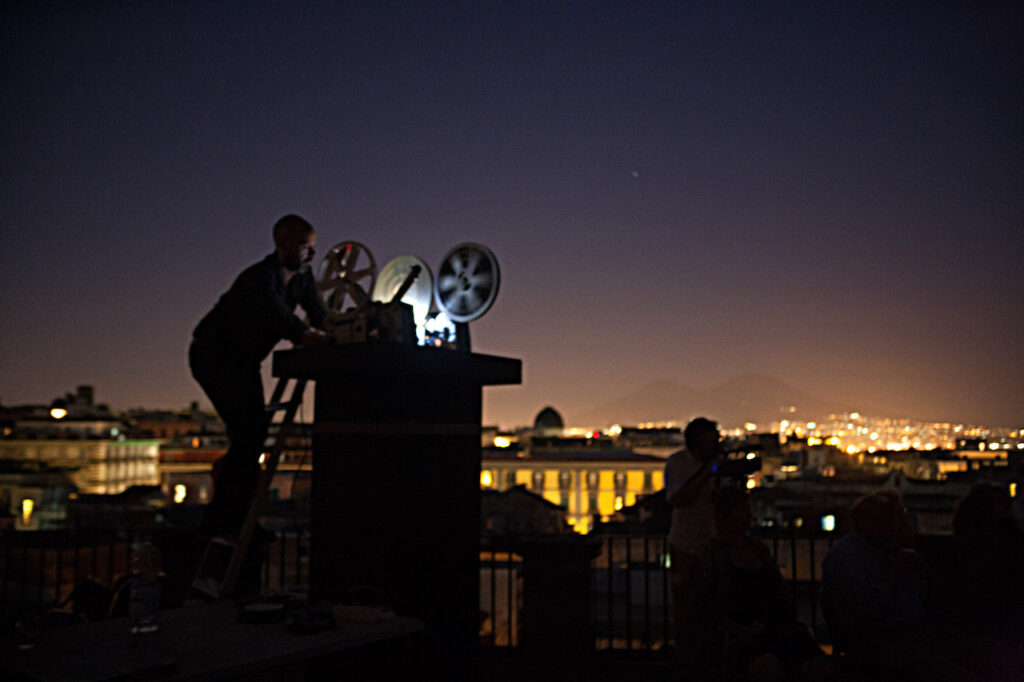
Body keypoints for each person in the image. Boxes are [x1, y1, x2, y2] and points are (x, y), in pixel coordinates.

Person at [189, 214, 329, 537]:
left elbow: (319, 315)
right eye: (307, 248)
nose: (312, 256)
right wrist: (311, 337)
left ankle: (233, 512)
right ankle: (228, 520)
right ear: (283, 245)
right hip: (214, 357)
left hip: (243, 362)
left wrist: (336, 328)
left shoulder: (302, 278)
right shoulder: (258, 279)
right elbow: (283, 319)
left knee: (250, 434)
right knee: (250, 431)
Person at [821, 489, 987, 681]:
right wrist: (896, 574)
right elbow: (870, 612)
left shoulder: (887, 551)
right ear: (873, 523)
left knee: (979, 651)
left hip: (910, 634)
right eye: (895, 520)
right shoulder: (847, 558)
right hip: (879, 642)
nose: (900, 526)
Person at [694, 487, 833, 682]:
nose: (748, 515)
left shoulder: (757, 550)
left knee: (820, 667)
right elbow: (707, 605)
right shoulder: (714, 556)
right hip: (744, 639)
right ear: (725, 516)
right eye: (742, 510)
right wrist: (740, 631)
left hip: (776, 631)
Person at [664, 417, 726, 669]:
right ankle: (687, 661)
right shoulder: (679, 464)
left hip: (714, 543)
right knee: (686, 607)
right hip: (686, 543)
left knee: (716, 606)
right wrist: (707, 472)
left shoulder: (718, 466)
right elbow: (677, 498)